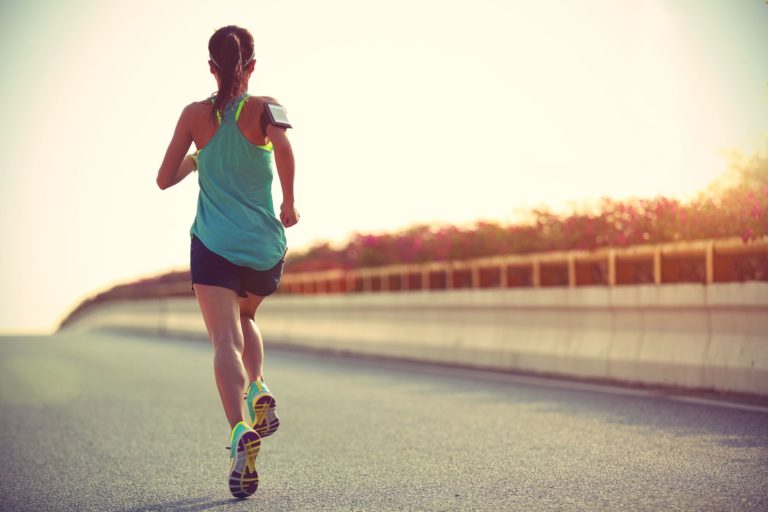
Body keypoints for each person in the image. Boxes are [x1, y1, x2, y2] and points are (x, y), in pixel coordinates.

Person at [155, 25, 299, 499]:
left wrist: (198, 160)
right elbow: (284, 146)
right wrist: (290, 204)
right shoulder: (265, 107)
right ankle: (258, 386)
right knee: (247, 315)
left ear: (211, 67)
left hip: (214, 245)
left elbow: (163, 179)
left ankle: (240, 430)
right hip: (262, 247)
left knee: (224, 340)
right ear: (252, 66)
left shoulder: (194, 115)